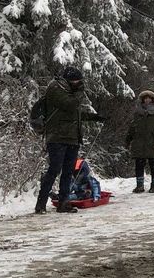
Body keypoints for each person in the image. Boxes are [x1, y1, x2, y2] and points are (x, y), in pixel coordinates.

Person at [35, 66, 106, 214]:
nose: (78, 84)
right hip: (57, 137)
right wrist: (80, 92)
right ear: (68, 80)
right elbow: (70, 105)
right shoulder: (55, 89)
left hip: (72, 138)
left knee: (68, 172)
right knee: (54, 169)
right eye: (76, 81)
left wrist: (95, 118)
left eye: (80, 82)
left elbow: (76, 113)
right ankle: (40, 203)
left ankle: (64, 202)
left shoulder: (69, 91)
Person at [125, 90, 154, 194]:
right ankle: (139, 186)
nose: (147, 100)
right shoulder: (137, 113)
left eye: (149, 98)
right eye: (145, 98)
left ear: (153, 99)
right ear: (142, 100)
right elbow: (132, 127)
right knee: (139, 165)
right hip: (139, 142)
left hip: (153, 142)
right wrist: (128, 139)